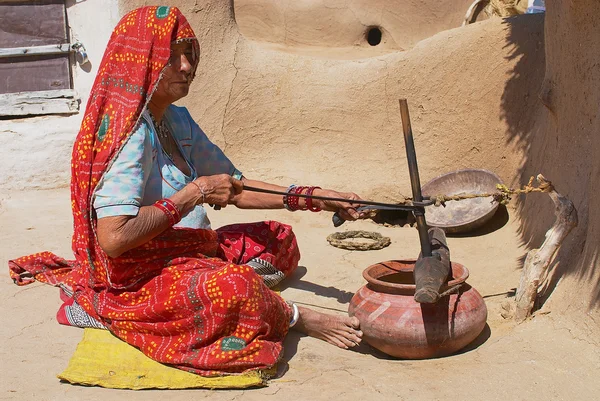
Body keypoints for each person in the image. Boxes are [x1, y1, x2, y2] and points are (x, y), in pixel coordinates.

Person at [8, 6, 364, 377]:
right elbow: (113, 239)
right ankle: (288, 315)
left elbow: (235, 187)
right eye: (172, 55)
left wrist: (314, 197)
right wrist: (193, 193)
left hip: (190, 246)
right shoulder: (128, 137)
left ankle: (213, 291)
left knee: (279, 238)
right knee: (235, 286)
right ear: (142, 61)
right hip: (138, 272)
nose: (186, 66)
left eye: (189, 54)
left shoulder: (176, 119)